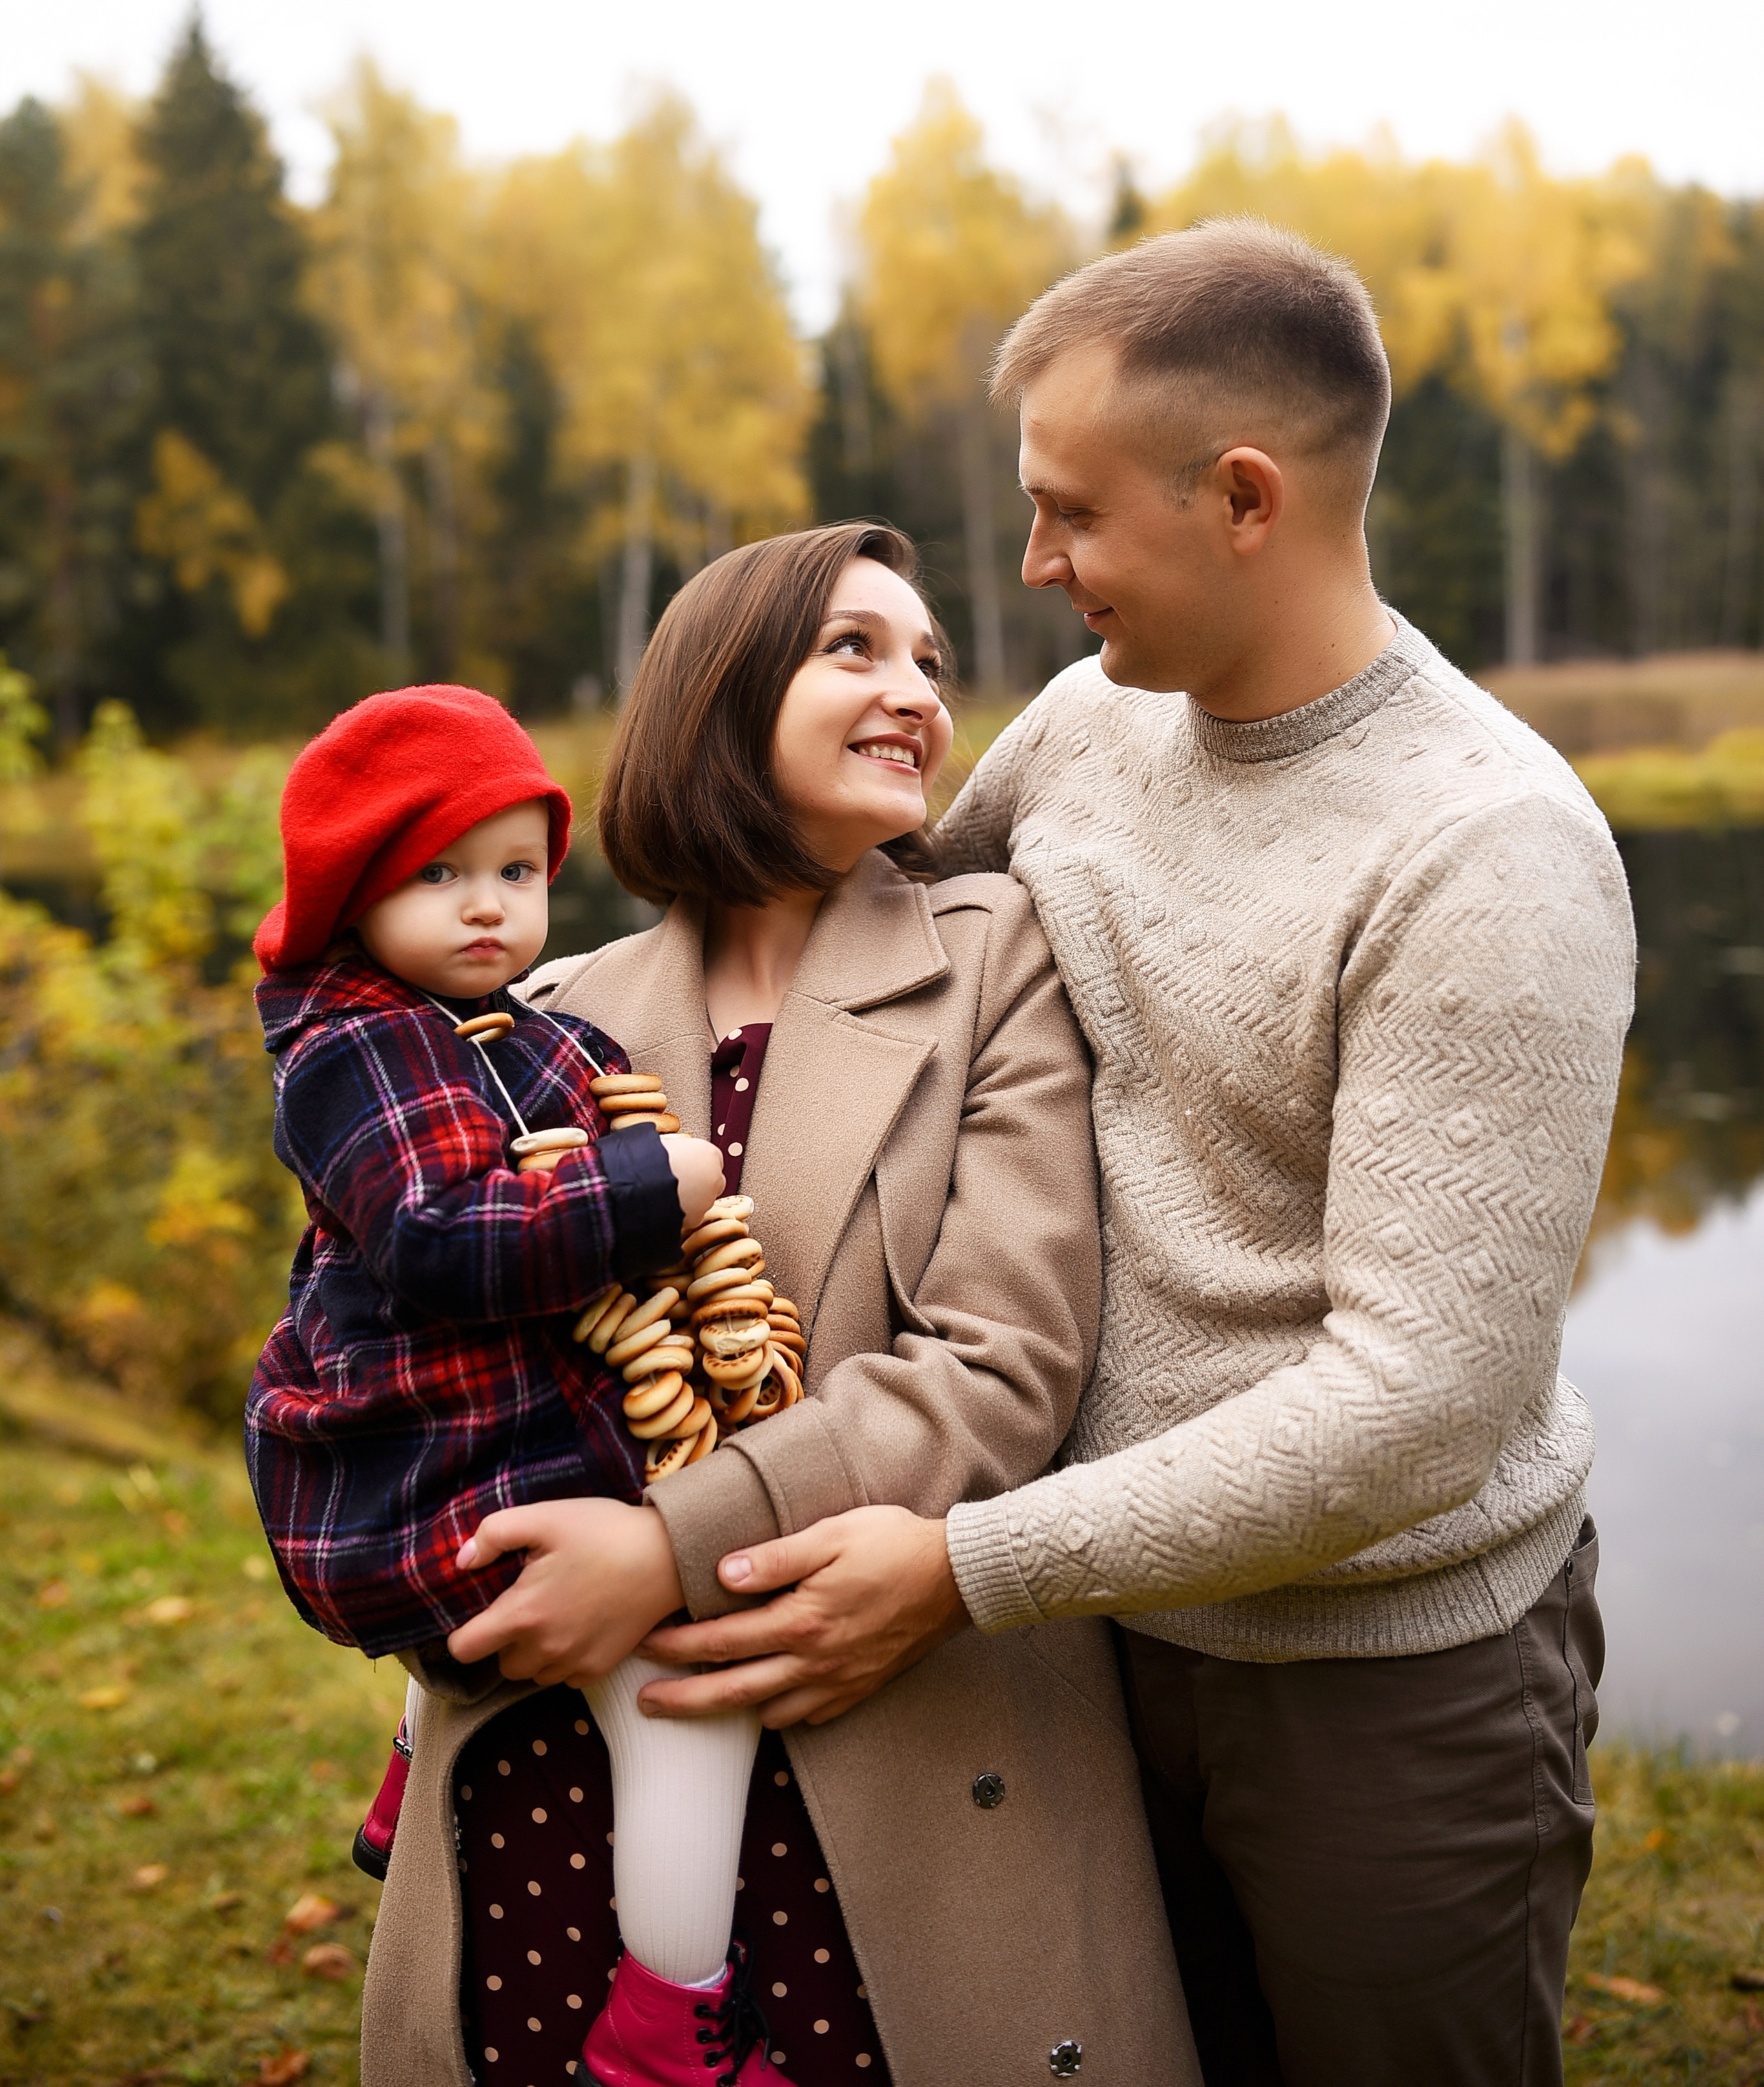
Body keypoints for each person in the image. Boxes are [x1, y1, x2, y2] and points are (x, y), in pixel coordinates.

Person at [628, 224, 1634, 2087]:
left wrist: (966, 1564)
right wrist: (494, 1039)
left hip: (1379, 1688)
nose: (1035, 566)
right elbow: (868, 936)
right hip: (1085, 1651)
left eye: (1070, 513)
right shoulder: (1094, 725)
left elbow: (1419, 1399)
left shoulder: (1490, 852)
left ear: (1242, 498)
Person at [359, 522, 1198, 2087]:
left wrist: (666, 1549)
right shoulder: (547, 1011)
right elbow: (424, 1337)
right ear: (721, 695)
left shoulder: (992, 960)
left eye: (931, 663)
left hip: (888, 1740)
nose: (917, 695)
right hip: (558, 1756)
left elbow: (996, 1370)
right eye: (855, 649)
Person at [243, 682, 776, 2086]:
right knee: (689, 1699)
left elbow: (579, 1110)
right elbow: (436, 1236)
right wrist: (654, 1188)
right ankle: (670, 2021)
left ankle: (419, 1752)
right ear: (352, 890)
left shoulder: (503, 1022)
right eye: (436, 875)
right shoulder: (353, 1045)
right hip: (422, 1451)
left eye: (517, 873)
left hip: (489, 1432)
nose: (487, 909)